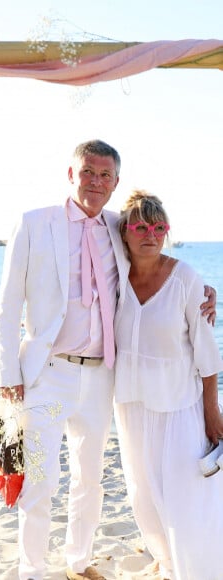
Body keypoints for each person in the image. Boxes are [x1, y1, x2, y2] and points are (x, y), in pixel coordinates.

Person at [0, 139, 216, 580]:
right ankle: (31, 570)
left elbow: (155, 254)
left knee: (89, 478)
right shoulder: (34, 224)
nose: (96, 181)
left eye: (105, 175)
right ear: (71, 174)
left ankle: (78, 560)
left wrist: (205, 291)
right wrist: (7, 376)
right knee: (40, 479)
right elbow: (6, 306)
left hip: (101, 380)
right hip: (47, 374)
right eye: (88, 172)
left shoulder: (119, 224)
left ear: (115, 182)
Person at [113, 190, 223, 580]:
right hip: (130, 405)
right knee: (143, 494)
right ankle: (168, 563)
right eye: (141, 226)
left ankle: (199, 570)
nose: (150, 234)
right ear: (124, 232)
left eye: (159, 227)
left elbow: (206, 353)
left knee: (186, 497)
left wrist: (212, 410)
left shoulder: (186, 279)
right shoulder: (114, 276)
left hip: (180, 406)